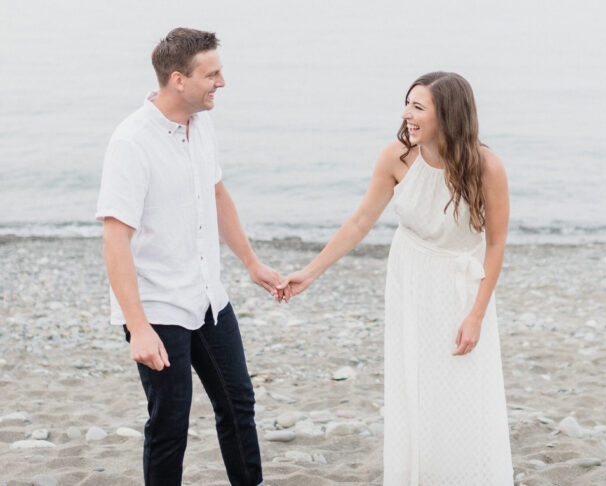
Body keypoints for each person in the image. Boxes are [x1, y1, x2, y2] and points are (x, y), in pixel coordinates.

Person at [280, 72, 514, 485]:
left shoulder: (487, 167)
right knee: (414, 387)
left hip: (461, 290)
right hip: (410, 280)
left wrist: (476, 314)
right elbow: (359, 222)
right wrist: (310, 273)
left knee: (463, 390)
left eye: (418, 107)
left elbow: (495, 245)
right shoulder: (397, 157)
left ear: (449, 116)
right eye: (408, 103)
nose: (407, 114)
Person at [96, 27, 283, 486]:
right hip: (158, 308)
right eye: (212, 73)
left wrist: (251, 263)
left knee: (239, 404)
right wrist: (138, 327)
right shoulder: (131, 141)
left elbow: (217, 197)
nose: (222, 82)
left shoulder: (201, 124)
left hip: (208, 298)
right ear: (178, 79)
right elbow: (114, 238)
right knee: (170, 423)